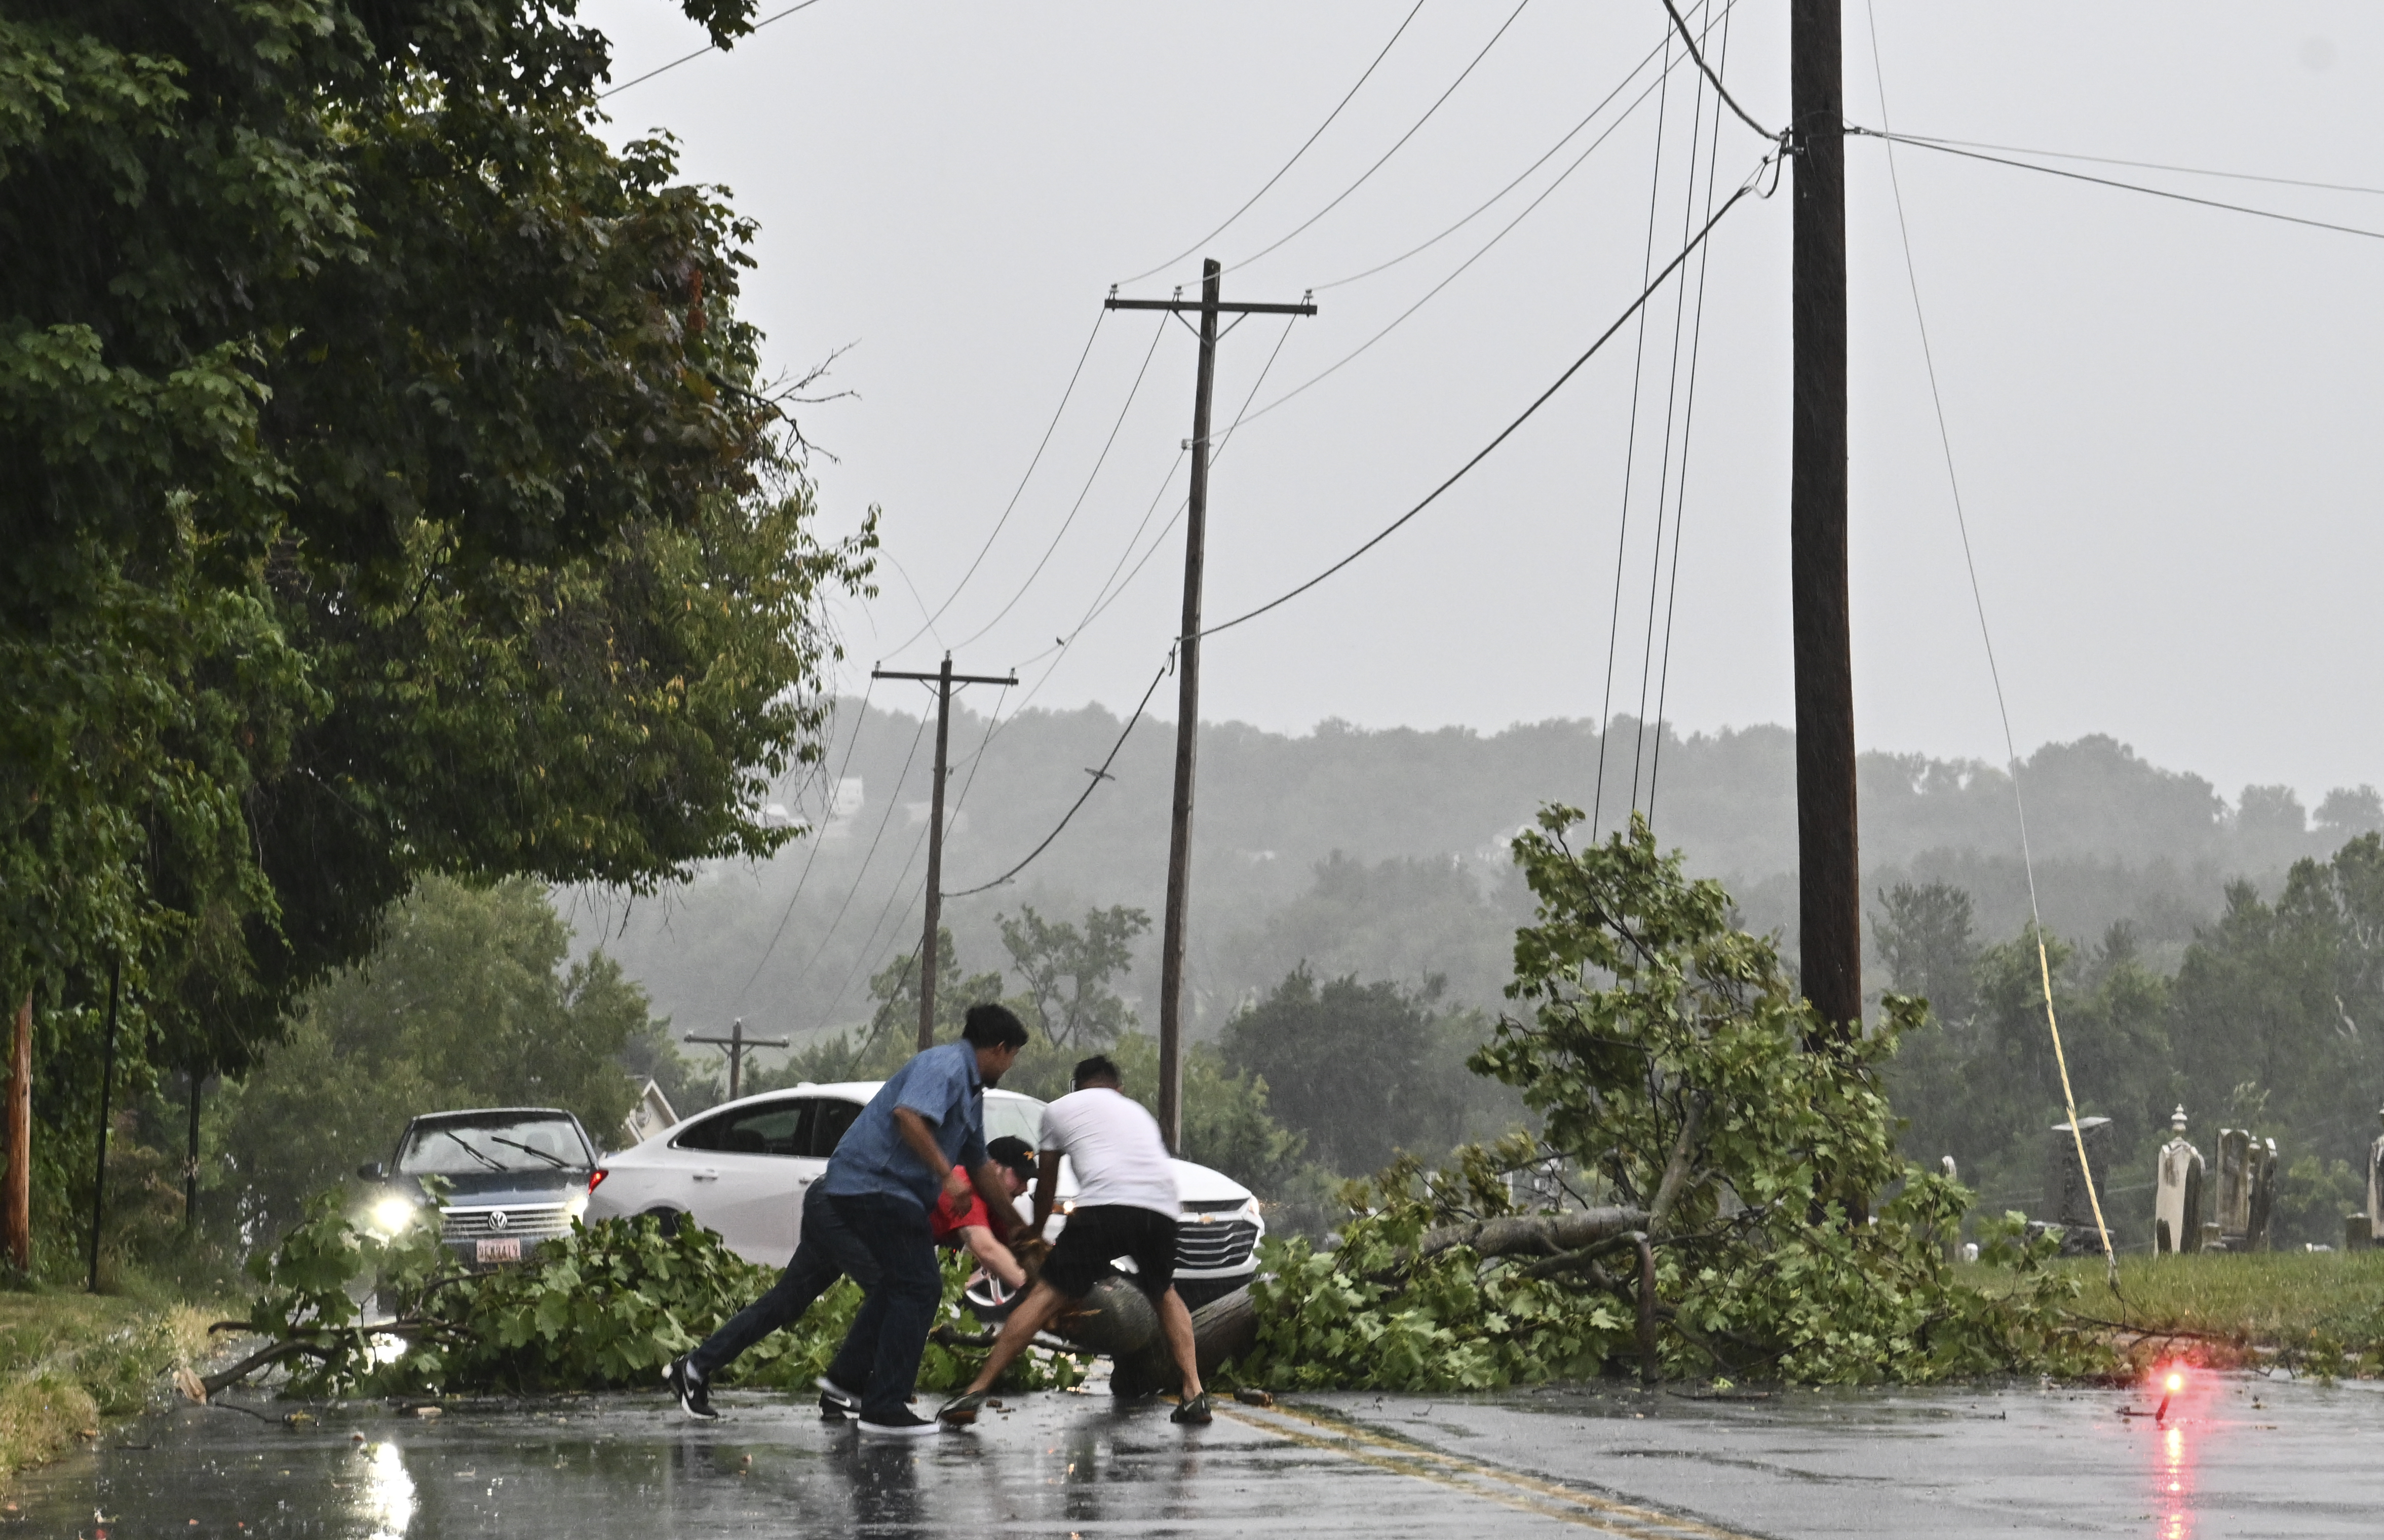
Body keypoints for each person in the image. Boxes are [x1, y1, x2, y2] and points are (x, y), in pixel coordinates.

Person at [938, 1053, 1210, 1428]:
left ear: (1076, 1085)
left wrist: (1035, 1234)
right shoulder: (1138, 1112)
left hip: (1104, 1207)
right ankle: (1194, 1392)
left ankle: (977, 1389)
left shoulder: (1059, 1109)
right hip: (1161, 1209)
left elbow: (1046, 1182)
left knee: (1044, 1297)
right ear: (1118, 1087)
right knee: (1165, 1292)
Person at [819, 1002, 1029, 1437]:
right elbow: (908, 1117)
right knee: (921, 1285)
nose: (1009, 1067)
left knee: (901, 1284)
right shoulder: (947, 1066)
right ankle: (884, 1406)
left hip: (885, 1191)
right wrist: (944, 1179)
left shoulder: (970, 1093)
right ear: (1000, 1048)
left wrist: (1020, 1227)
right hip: (874, 1184)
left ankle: (846, 1381)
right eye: (1012, 1058)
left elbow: (980, 1169)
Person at [663, 1180, 878, 1421]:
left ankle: (693, 1368)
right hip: (840, 1205)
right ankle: (844, 1387)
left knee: (785, 1302)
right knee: (890, 1293)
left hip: (836, 1201)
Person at [934, 1135, 1037, 1294]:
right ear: (994, 1167)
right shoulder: (965, 1185)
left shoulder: (993, 1203)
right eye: (1021, 1177)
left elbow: (1015, 1247)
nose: (1025, 1189)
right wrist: (1037, 1294)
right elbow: (986, 1249)